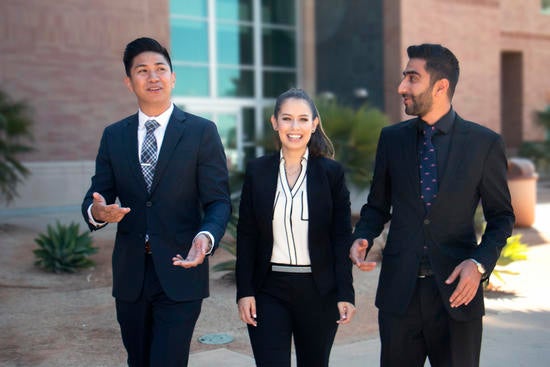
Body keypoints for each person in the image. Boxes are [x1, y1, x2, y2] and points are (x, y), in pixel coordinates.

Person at [350, 44, 515, 366]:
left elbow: (502, 217)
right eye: (404, 78)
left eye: (412, 78)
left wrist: (479, 263)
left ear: (441, 86)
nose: (402, 87)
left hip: (457, 295)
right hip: (399, 295)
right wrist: (363, 236)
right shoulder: (392, 139)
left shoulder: (484, 143)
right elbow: (377, 206)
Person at [81, 37, 231, 367]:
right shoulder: (114, 135)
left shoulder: (201, 132)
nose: (153, 77)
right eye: (143, 71)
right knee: (139, 360)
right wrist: (99, 212)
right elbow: (96, 196)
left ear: (173, 77)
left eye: (161, 69)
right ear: (129, 81)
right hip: (131, 274)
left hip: (182, 268)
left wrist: (204, 239)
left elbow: (218, 201)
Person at [236, 88, 355, 367]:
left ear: (314, 124)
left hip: (319, 292)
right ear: (274, 122)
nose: (294, 127)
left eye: (303, 119)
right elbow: (247, 235)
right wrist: (245, 291)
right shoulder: (257, 171)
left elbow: (340, 238)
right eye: (287, 119)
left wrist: (345, 294)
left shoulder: (331, 174)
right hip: (268, 290)